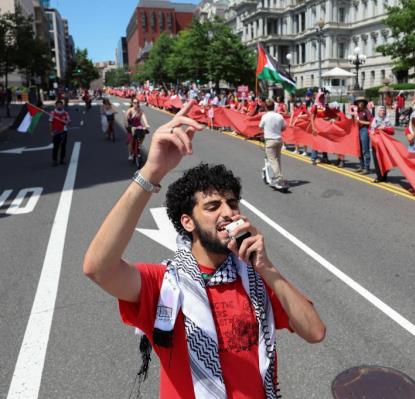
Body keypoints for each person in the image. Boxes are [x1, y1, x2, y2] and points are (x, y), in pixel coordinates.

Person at [83, 103, 325, 398]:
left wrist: (267, 268)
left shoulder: (255, 279)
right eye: (212, 206)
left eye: (232, 204)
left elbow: (315, 332)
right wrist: (152, 170)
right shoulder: (164, 284)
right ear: (188, 221)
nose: (228, 213)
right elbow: (98, 268)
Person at [259, 99, 288, 190]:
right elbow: (284, 127)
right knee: (277, 160)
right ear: (273, 107)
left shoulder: (265, 116)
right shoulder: (279, 116)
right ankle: (277, 176)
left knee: (272, 160)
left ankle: (279, 179)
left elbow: (260, 126)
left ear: (266, 107)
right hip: (278, 139)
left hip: (269, 140)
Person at [370, 106, 394, 183]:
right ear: (377, 111)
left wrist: (385, 128)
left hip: (385, 143)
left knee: (385, 159)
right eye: (381, 110)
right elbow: (370, 130)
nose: (383, 111)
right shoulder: (374, 120)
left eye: (384, 110)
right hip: (376, 143)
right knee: (377, 160)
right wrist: (373, 132)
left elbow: (392, 131)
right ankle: (379, 176)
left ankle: (385, 176)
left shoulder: (387, 120)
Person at [49, 99, 71, 166]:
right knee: (56, 146)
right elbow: (50, 123)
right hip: (56, 132)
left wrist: (66, 122)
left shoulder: (65, 113)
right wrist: (51, 132)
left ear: (62, 105)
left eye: (60, 105)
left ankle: (62, 159)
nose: (59, 106)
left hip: (64, 131)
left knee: (63, 146)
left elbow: (69, 121)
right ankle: (54, 160)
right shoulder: (52, 113)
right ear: (55, 106)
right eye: (58, 105)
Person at [354, 97, 372, 174]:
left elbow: (371, 122)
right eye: (359, 102)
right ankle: (361, 166)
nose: (360, 103)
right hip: (357, 130)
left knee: (365, 149)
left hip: (364, 130)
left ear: (364, 103)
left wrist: (361, 121)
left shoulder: (367, 111)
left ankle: (367, 168)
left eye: (362, 102)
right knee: (359, 149)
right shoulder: (357, 112)